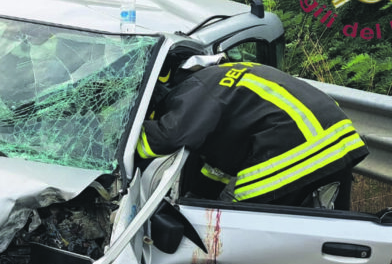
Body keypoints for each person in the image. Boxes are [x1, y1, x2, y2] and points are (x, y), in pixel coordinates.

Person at [136, 51, 368, 209]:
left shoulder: (194, 87)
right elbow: (216, 167)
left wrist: (121, 145)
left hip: (299, 142)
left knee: (236, 221)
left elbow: (169, 135)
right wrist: (198, 197)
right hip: (334, 137)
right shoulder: (225, 75)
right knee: (328, 229)